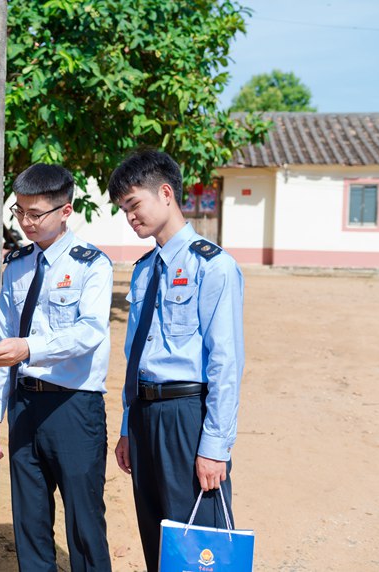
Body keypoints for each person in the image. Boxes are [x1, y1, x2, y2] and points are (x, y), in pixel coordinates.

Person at [108, 150, 245, 572]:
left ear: (165, 193)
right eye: (123, 210)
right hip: (147, 416)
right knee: (160, 535)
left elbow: (226, 361)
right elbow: (136, 358)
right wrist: (130, 427)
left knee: (200, 543)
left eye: (134, 205)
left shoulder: (213, 265)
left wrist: (215, 447)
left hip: (188, 415)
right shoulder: (145, 269)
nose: (130, 218)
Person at [0, 164, 114, 571]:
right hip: (24, 406)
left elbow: (89, 333)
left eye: (36, 214)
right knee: (30, 522)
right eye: (19, 212)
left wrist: (28, 348)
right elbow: (3, 344)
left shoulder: (93, 265)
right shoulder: (17, 264)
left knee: (84, 523)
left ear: (66, 211)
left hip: (73, 407)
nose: (26, 222)